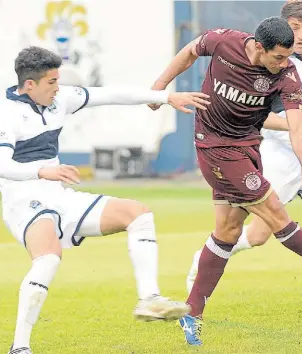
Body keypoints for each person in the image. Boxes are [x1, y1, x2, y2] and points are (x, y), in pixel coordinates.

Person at [150, 17, 302, 346]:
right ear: (259, 47)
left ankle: (192, 312)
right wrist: (158, 88)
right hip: (214, 148)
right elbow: (188, 51)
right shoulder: (222, 40)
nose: (285, 63)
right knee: (276, 214)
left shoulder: (287, 76)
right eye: (278, 57)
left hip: (248, 147)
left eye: (288, 57)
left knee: (228, 232)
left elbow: (298, 126)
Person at [1, 46, 210, 354]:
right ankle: (20, 347)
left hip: (59, 195)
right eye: (51, 83)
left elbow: (111, 94)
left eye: (58, 81)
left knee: (138, 215)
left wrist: (164, 97)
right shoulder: (8, 114)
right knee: (48, 258)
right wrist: (43, 170)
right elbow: (3, 165)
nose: (58, 88)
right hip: (24, 201)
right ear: (29, 85)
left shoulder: (60, 99)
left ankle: (149, 300)